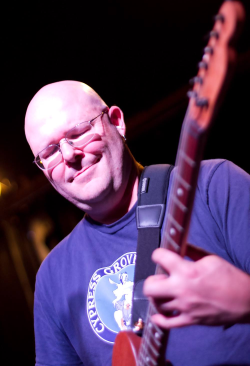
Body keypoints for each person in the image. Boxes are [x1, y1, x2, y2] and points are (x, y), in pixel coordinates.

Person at [25, 80, 250, 366]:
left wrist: (244, 299)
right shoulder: (52, 277)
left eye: (79, 132)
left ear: (117, 122)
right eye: (50, 152)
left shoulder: (213, 186)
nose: (69, 155)